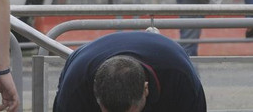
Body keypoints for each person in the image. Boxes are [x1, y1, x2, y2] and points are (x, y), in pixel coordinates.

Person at [53, 32, 206, 112]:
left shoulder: (180, 78)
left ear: (146, 89)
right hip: (85, 61)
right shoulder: (75, 87)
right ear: (95, 92)